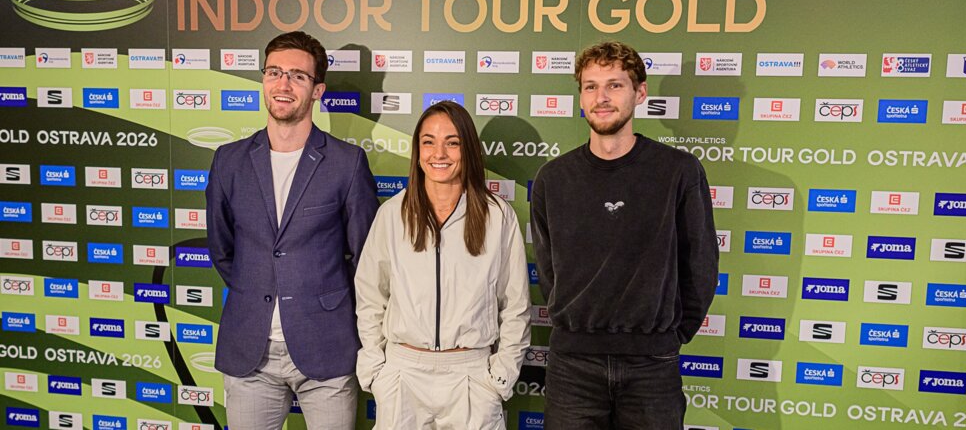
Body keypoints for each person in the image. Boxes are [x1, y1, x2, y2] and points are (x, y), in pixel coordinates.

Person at [530, 41, 719, 429]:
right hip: (573, 366)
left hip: (652, 366)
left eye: (614, 85)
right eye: (591, 86)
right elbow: (550, 271)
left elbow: (700, 264)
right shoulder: (553, 178)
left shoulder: (678, 171)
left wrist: (667, 337)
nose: (601, 97)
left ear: (640, 92)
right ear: (581, 96)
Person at [206, 31, 378, 430]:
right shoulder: (229, 161)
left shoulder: (347, 162)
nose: (283, 84)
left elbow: (367, 258)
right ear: (263, 79)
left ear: (317, 90)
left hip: (327, 348)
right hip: (249, 352)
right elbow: (222, 249)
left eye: (298, 76)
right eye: (275, 72)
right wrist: (259, 287)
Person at [355, 101, 531, 429]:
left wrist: (500, 377)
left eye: (452, 142)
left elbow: (516, 304)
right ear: (417, 150)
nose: (439, 153)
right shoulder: (392, 214)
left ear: (468, 149)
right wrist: (376, 371)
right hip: (403, 374)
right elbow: (370, 297)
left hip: (471, 376)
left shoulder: (497, 216)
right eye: (429, 142)